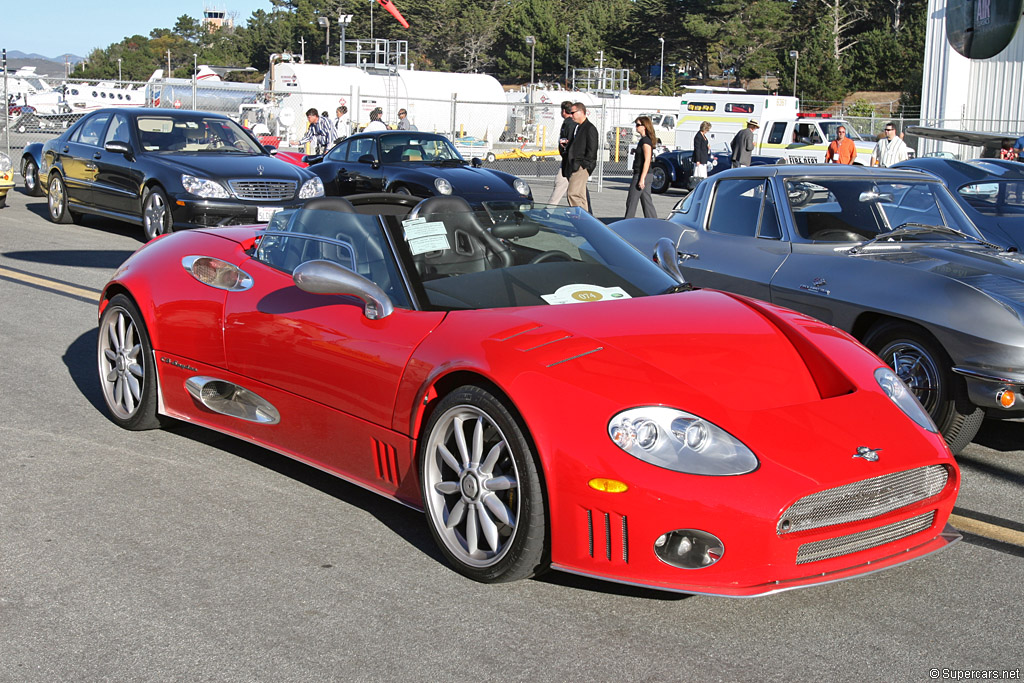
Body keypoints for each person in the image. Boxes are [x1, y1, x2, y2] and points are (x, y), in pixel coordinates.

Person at [563, 102, 599, 212]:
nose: (571, 115)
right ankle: (586, 219)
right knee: (581, 196)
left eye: (573, 112)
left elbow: (592, 150)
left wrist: (584, 165)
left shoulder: (590, 128)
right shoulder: (578, 127)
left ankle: (578, 218)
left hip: (581, 166)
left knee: (572, 194)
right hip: (575, 164)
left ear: (581, 112)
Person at [624, 116, 658, 218]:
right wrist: (636, 151)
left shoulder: (646, 141)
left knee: (631, 202)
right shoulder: (643, 140)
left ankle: (627, 223)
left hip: (642, 175)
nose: (636, 126)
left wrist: (641, 179)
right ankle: (653, 223)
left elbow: (647, 160)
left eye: (638, 125)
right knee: (647, 202)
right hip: (646, 175)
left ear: (645, 126)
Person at [546, 101, 575, 205]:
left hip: (569, 160)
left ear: (563, 111)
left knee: (560, 183)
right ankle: (584, 211)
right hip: (569, 159)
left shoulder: (569, 123)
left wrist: (565, 149)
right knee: (577, 188)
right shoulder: (571, 123)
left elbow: (569, 140)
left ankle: (549, 208)